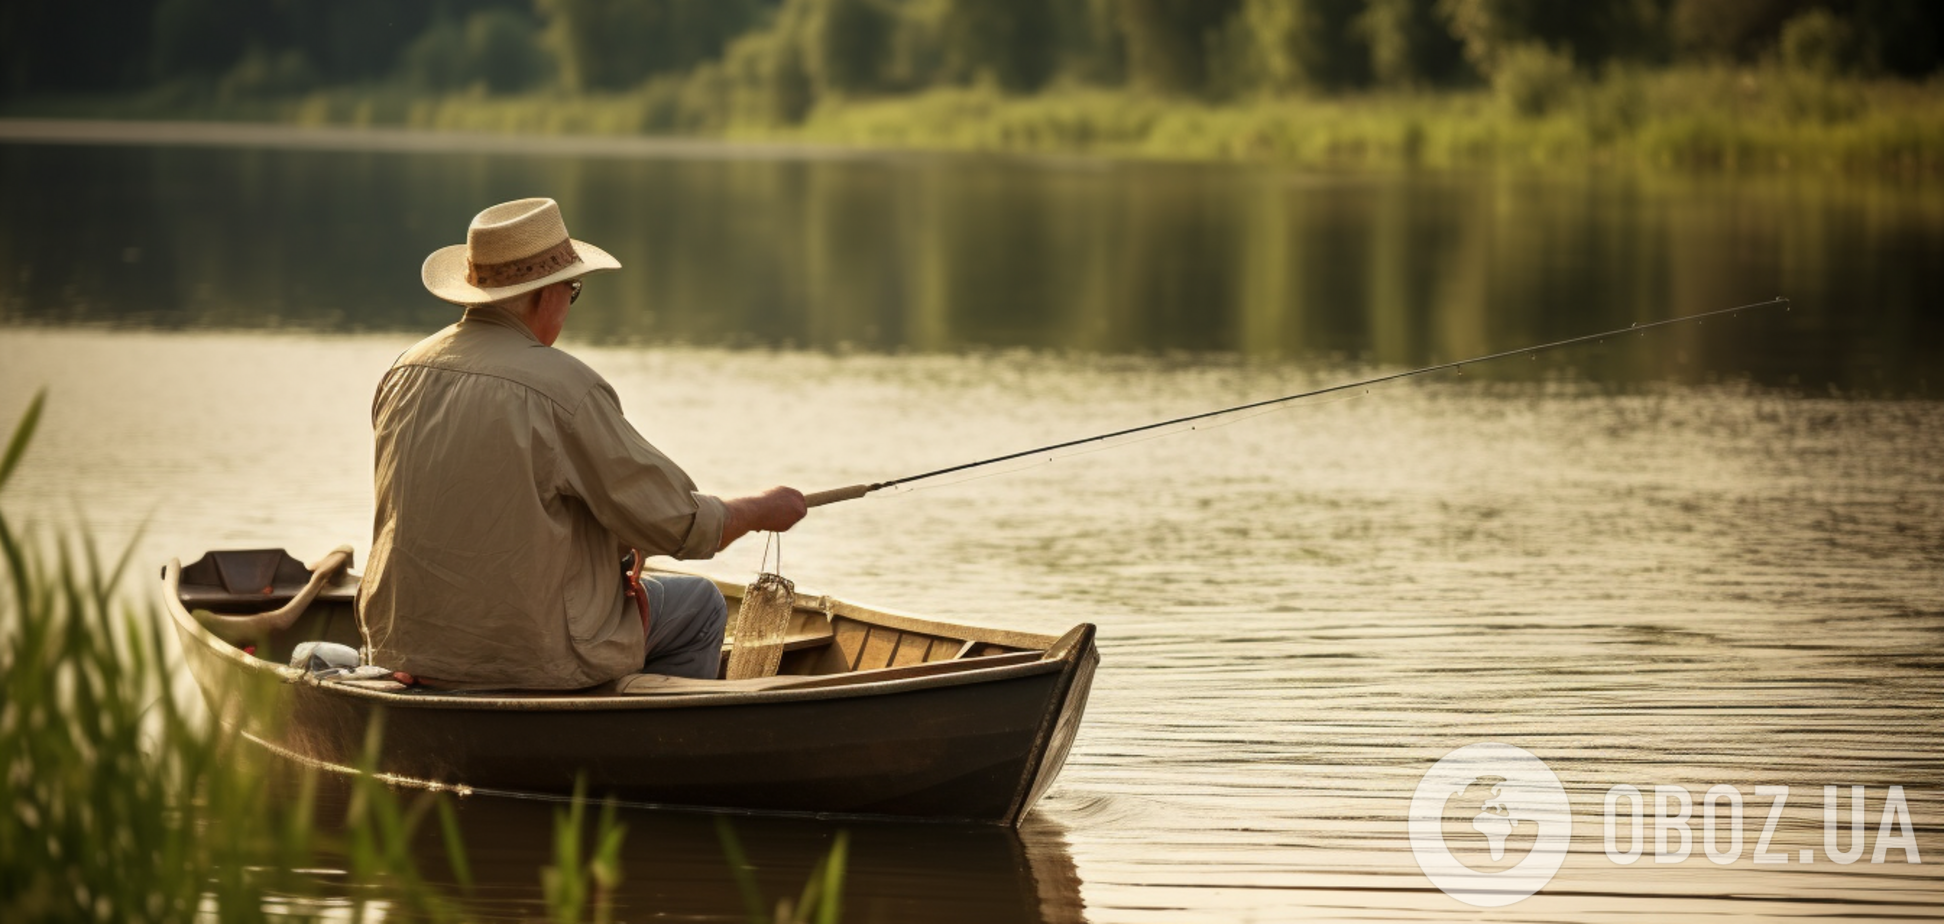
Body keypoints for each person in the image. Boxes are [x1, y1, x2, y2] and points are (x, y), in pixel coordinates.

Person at [357, 198, 806, 690]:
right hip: (531, 654)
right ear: (545, 294)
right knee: (700, 604)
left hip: (402, 645)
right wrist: (763, 509)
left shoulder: (403, 371)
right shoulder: (563, 388)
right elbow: (678, 524)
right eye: (573, 290)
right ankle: (653, 747)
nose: (569, 305)